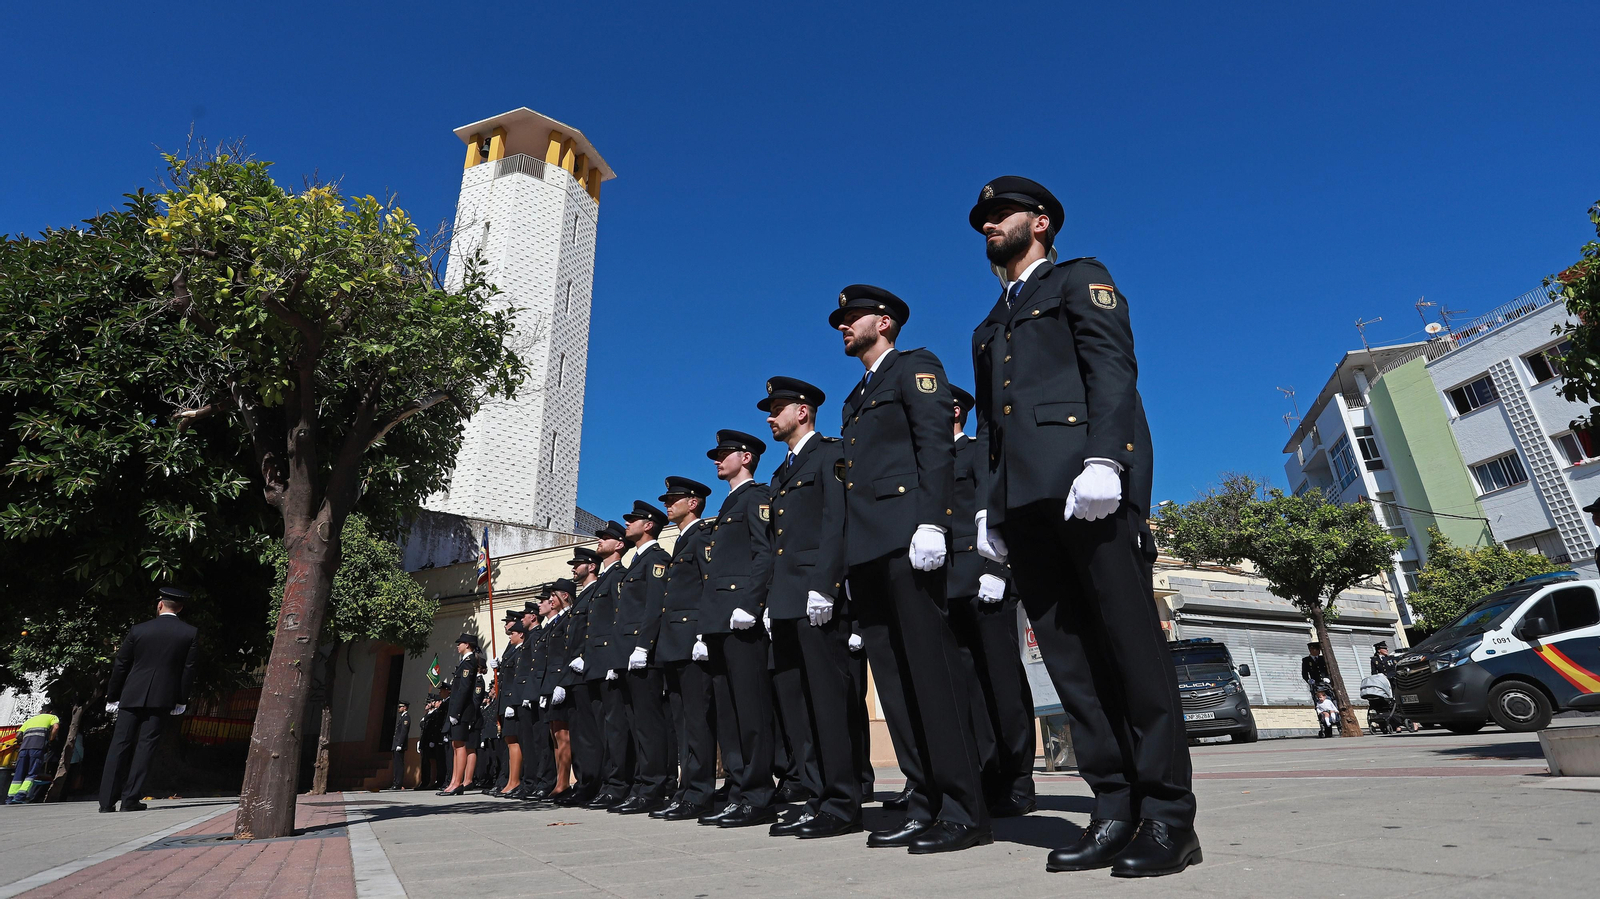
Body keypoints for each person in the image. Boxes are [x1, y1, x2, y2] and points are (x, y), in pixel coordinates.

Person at [966, 176, 1198, 876]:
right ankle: (1114, 807)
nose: (988, 226)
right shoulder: (988, 326)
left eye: (1000, 214)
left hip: (1089, 489)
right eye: (982, 220)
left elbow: (1112, 369)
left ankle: (1168, 817)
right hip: (1025, 505)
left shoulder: (1078, 279)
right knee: (1071, 664)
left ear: (1040, 222)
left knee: (1131, 652)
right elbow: (991, 427)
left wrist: (1106, 461)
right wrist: (990, 506)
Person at [831, 283, 991, 855]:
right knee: (896, 686)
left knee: (931, 676)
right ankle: (923, 802)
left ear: (884, 322)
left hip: (908, 541)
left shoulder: (914, 368)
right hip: (868, 551)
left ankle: (963, 809)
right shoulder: (855, 397)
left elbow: (935, 447)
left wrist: (932, 522)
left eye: (852, 317)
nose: (842, 326)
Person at [760, 376, 862, 839]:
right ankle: (817, 797)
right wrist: (769, 600)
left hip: (816, 598)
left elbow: (837, 522)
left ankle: (842, 802)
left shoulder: (830, 455)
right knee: (796, 705)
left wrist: (826, 585)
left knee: (827, 702)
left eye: (776, 409)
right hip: (784, 602)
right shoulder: (780, 474)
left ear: (802, 411)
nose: (770, 418)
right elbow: (776, 545)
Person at [947, 384, 1037, 818]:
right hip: (947, 588)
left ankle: (1018, 779)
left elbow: (1000, 509)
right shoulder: (930, 464)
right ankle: (987, 773)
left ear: (955, 410)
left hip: (985, 580)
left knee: (1002, 683)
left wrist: (999, 571)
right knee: (968, 688)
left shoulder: (977, 451)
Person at [697, 429, 780, 828]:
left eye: (724, 453)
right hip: (718, 621)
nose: (718, 459)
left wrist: (751, 603)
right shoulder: (728, 503)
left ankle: (758, 794)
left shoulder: (756, 497)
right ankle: (737, 790)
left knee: (750, 710)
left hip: (741, 619)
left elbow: (765, 553)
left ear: (746, 458)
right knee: (728, 713)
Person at [651, 476, 720, 821]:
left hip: (692, 641)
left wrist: (703, 635)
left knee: (697, 721)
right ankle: (685, 790)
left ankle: (700, 792)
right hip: (674, 644)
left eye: (673, 499)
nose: (667, 504)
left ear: (693, 503)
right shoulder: (680, 541)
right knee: (681, 722)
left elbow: (709, 586)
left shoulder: (702, 536)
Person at [99, 586, 200, 813]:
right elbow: (188, 670)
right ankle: (130, 800)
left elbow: (121, 664)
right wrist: (181, 700)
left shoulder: (139, 630)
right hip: (163, 697)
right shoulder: (189, 633)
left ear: (160, 604)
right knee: (146, 747)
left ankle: (106, 802)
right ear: (180, 608)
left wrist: (113, 695)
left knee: (119, 744)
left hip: (131, 694)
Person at [582, 521, 635, 810]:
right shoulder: (603, 579)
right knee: (602, 728)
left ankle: (619, 783)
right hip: (596, 662)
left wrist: (617, 657)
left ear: (619, 545)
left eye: (606, 538)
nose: (600, 541)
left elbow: (619, 619)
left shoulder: (619, 577)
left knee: (616, 726)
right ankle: (607, 782)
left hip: (609, 662)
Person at [558, 548, 603, 806]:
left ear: (591, 566)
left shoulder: (595, 591)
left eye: (578, 564)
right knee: (577, 732)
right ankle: (583, 781)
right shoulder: (582, 597)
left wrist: (585, 656)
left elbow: (596, 628)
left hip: (586, 671)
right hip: (573, 675)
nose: (573, 569)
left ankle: (592, 782)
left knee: (588, 733)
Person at [538, 580, 578, 801]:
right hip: (551, 684)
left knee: (563, 735)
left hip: (562, 682)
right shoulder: (557, 621)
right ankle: (559, 782)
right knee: (555, 735)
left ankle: (564, 782)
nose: (550, 599)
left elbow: (566, 654)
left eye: (553, 595)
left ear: (565, 595)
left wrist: (561, 683)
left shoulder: (569, 618)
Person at [437, 634, 482, 796]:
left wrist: (456, 712)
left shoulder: (469, 662)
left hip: (462, 710)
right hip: (458, 709)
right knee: (456, 745)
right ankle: (453, 782)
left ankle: (457, 783)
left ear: (467, 645)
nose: (458, 646)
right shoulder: (464, 662)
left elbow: (463, 689)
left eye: (460, 643)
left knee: (460, 745)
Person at [494, 621, 529, 798]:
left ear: (521, 634)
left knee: (513, 740)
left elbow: (517, 679)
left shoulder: (522, 652)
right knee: (509, 740)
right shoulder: (513, 652)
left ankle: (515, 780)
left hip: (512, 701)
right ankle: (510, 780)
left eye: (512, 633)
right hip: (505, 701)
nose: (510, 636)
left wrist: (513, 702)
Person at [7, 705, 60, 804]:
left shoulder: (30, 720)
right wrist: (50, 739)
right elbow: (56, 727)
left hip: (23, 749)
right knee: (32, 772)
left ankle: (10, 797)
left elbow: (18, 735)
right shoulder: (52, 717)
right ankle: (20, 796)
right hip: (37, 748)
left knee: (19, 772)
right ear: (50, 712)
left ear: (41, 711)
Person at [418, 692, 448, 789]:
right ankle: (427, 782)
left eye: (434, 702)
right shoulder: (429, 714)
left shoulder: (436, 713)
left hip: (435, 740)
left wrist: (433, 740)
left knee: (437, 762)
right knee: (427, 762)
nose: (432, 703)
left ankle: (435, 781)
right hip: (427, 741)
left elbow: (434, 728)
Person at [389, 700, 411, 791]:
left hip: (399, 745)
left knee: (399, 765)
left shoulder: (406, 718)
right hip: (396, 744)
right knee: (396, 764)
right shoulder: (402, 717)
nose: (399, 708)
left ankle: (398, 783)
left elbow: (403, 732)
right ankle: (396, 782)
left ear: (405, 708)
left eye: (400, 707)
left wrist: (400, 744)